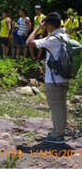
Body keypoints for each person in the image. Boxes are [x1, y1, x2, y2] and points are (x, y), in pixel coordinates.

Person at [26, 12, 70, 144]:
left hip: (54, 80)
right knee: (61, 105)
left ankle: (57, 135)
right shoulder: (66, 37)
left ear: (49, 25)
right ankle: (59, 132)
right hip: (65, 77)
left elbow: (29, 42)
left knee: (56, 106)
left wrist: (38, 28)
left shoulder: (52, 39)